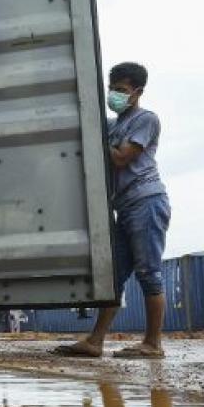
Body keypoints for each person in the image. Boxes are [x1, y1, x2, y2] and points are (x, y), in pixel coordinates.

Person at [55, 62, 170, 358]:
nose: (114, 95)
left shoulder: (146, 119)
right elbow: (87, 124)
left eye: (121, 90)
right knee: (114, 277)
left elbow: (121, 159)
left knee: (148, 273)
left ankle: (153, 343)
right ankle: (95, 341)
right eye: (111, 89)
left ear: (137, 92)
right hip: (126, 207)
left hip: (147, 202)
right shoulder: (115, 124)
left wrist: (99, 137)